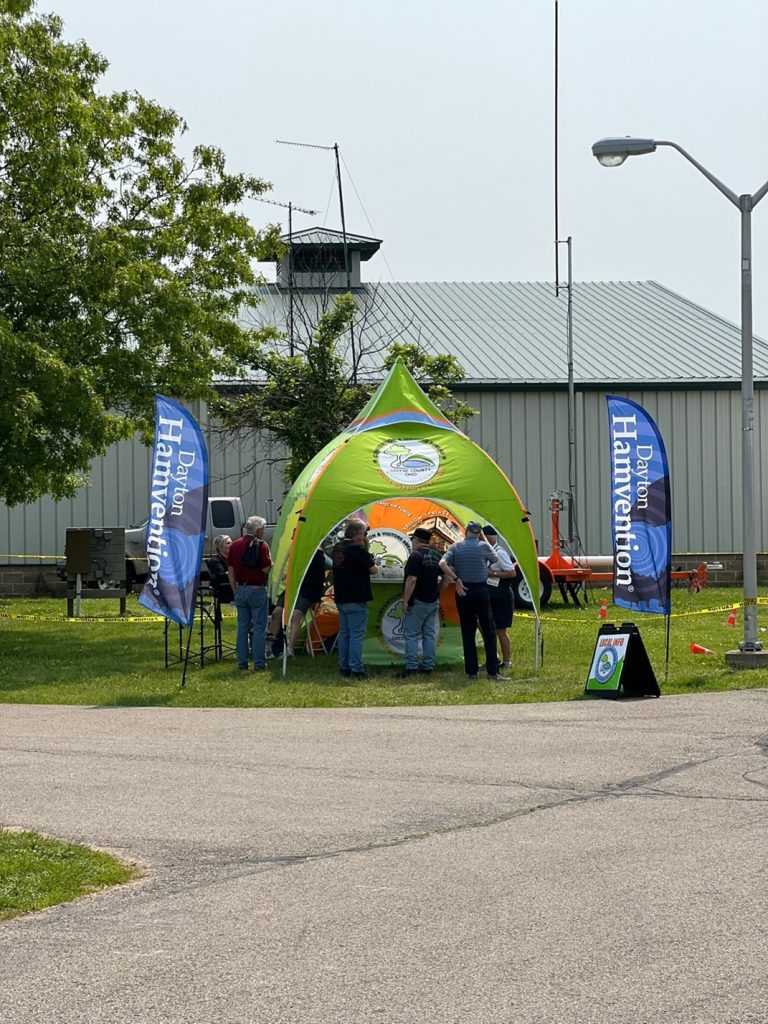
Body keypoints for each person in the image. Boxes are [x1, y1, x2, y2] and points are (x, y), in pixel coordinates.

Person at [439, 521, 508, 681]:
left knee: (468, 631)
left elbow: (442, 563)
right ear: (479, 533)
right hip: (481, 590)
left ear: (465, 532)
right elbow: (496, 558)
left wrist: (456, 579)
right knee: (489, 631)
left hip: (462, 590)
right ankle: (492, 672)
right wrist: (483, 538)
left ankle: (471, 672)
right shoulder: (483, 546)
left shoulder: (456, 547)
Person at [332, 518, 378, 679]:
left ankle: (344, 666)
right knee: (357, 634)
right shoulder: (357, 549)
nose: (364, 536)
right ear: (358, 534)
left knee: (345, 633)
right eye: (364, 533)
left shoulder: (337, 548)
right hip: (357, 596)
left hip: (341, 596)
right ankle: (356, 669)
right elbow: (373, 570)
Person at [227, 515, 272, 672]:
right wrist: (272, 562)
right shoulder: (262, 545)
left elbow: (230, 571)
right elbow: (265, 569)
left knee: (243, 627)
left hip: (241, 588)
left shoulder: (234, 545)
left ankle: (242, 663)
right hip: (257, 589)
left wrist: (235, 590)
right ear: (259, 530)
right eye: (263, 529)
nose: (264, 532)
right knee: (259, 627)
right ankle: (259, 663)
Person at [268, 548, 329, 657]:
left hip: (308, 591)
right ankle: (268, 648)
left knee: (296, 615)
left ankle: (290, 649)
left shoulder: (317, 554)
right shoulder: (293, 552)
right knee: (276, 613)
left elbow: (319, 578)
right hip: (292, 588)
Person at [399, 527, 442, 677]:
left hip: (418, 601)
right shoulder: (437, 555)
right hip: (432, 600)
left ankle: (411, 667)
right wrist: (438, 591)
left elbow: (412, 579)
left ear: (416, 540)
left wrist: (405, 601)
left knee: (411, 634)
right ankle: (428, 666)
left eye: (412, 540)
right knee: (429, 634)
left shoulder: (415, 556)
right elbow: (448, 577)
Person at [482, 525, 517, 670]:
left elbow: (511, 572)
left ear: (490, 537)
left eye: (482, 537)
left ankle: (507, 662)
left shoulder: (500, 553)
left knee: (500, 630)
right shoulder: (487, 552)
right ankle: (493, 657)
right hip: (491, 594)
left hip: (501, 595)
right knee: (484, 626)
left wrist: (493, 574)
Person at [208, 535, 234, 603]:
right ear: (220, 547)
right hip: (224, 590)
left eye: (232, 543)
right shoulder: (215, 561)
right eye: (228, 543)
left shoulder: (234, 559)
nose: (231, 545)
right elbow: (222, 575)